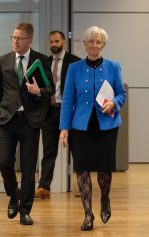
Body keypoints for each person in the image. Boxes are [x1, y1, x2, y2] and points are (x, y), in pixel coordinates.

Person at [59, 26, 126, 231]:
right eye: (90, 42)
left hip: (106, 126)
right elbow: (68, 99)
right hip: (80, 127)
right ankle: (88, 214)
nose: (94, 45)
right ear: (85, 44)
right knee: (82, 169)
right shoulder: (74, 68)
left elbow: (121, 94)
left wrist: (114, 103)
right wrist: (64, 128)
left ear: (103, 45)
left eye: (98, 42)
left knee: (104, 171)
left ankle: (105, 199)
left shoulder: (114, 66)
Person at [0, 22, 54, 225]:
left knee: (29, 168)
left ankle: (25, 210)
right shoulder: (3, 61)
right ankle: (14, 194)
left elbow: (49, 90)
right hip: (6, 120)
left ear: (29, 40)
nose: (15, 41)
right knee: (4, 161)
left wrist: (38, 91)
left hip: (30, 122)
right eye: (13, 37)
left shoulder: (41, 60)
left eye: (19, 38)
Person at [35, 31, 80, 199]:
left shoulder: (75, 62)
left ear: (64, 43)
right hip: (50, 112)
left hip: (70, 111)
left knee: (76, 149)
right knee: (48, 151)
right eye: (51, 41)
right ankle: (43, 188)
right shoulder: (44, 62)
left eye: (57, 41)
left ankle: (82, 186)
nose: (53, 44)